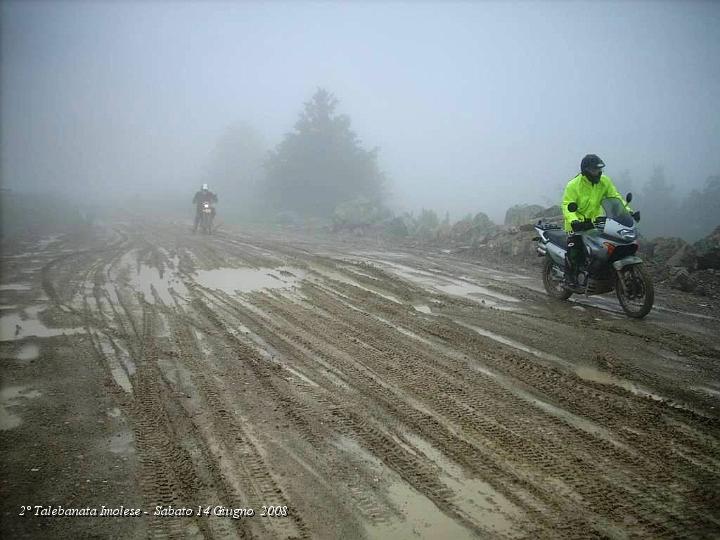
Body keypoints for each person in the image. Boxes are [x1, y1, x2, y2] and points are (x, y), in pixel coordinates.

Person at [561, 154, 638, 284]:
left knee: (607, 247)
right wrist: (574, 221)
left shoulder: (604, 181)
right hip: (577, 225)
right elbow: (567, 205)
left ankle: (603, 273)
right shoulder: (573, 185)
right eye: (594, 170)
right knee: (575, 250)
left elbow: (615, 197)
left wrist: (628, 212)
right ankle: (569, 277)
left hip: (597, 223)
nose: (598, 172)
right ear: (585, 170)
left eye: (599, 169)